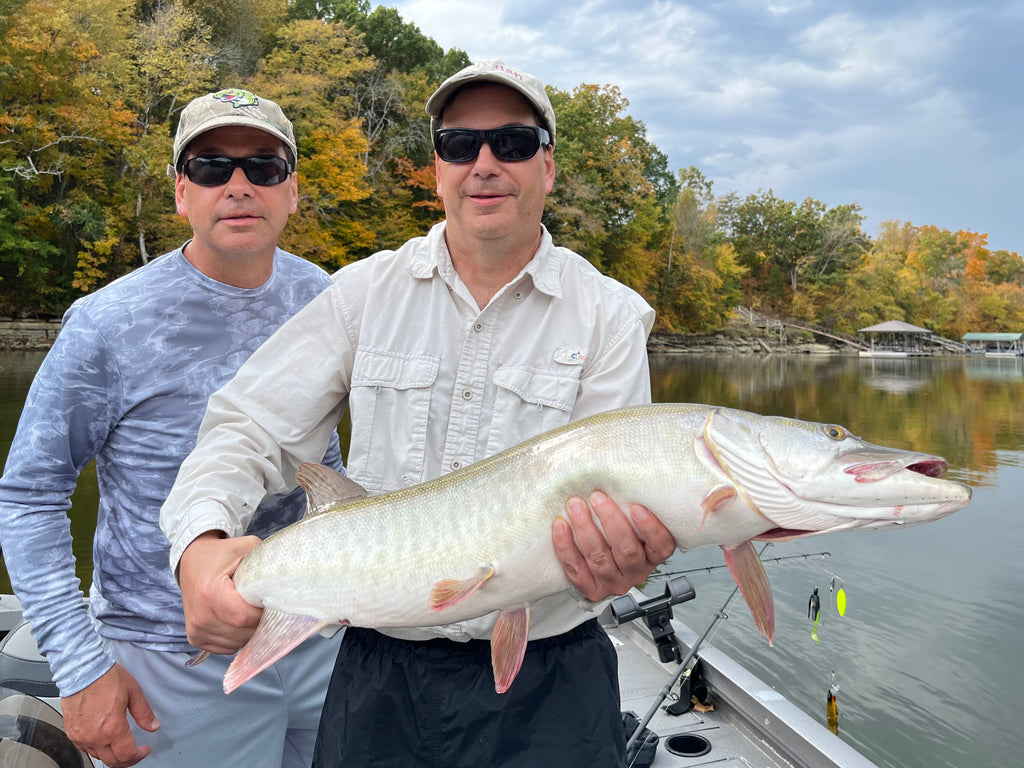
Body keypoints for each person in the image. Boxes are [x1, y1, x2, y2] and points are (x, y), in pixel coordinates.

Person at [161, 61, 678, 768]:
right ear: (437, 169)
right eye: (461, 145)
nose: (485, 164)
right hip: (378, 674)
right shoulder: (363, 292)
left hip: (553, 680)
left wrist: (622, 554)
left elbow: (622, 508)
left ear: (548, 167)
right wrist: (200, 545)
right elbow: (246, 429)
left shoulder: (611, 318)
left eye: (514, 143)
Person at [0, 89, 345, 768]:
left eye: (265, 167)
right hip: (170, 665)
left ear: (294, 191)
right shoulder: (109, 322)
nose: (239, 186)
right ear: (182, 192)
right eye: (213, 167)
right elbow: (29, 495)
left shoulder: (329, 301)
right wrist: (79, 667)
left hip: (321, 641)